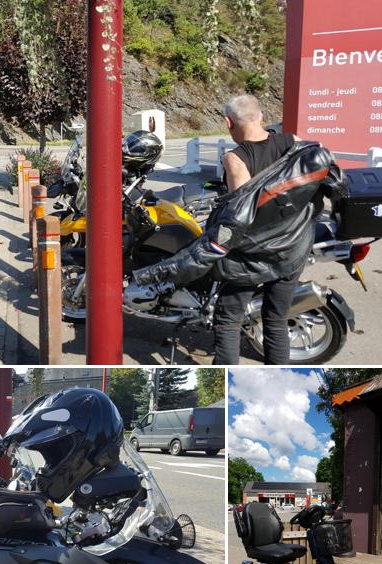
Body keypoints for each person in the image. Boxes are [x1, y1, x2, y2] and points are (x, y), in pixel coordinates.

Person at [132, 94, 342, 365]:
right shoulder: (294, 143)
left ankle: (228, 375)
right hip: (292, 252)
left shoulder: (235, 158)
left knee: (228, 322)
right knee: (276, 321)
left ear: (228, 122)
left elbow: (242, 215)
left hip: (250, 259)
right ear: (261, 116)